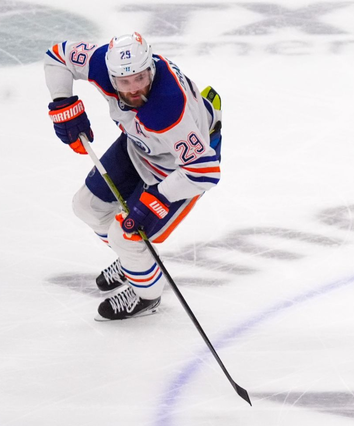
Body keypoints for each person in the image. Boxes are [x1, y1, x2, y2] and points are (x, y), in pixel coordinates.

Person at [44, 32, 222, 320]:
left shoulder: (168, 109)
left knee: (126, 235)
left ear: (150, 68)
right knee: (86, 206)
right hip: (139, 146)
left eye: (140, 77)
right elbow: (57, 56)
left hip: (177, 169)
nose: (135, 88)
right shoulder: (102, 64)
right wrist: (62, 103)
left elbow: (205, 172)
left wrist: (157, 197)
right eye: (125, 82)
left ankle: (147, 295)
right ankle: (135, 262)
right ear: (112, 78)